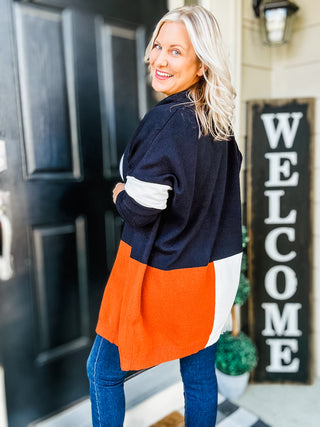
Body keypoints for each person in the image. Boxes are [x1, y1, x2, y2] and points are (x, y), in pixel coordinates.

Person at [87, 5, 243, 426]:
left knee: (101, 373)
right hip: (211, 275)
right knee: (197, 376)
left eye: (176, 51)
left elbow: (141, 209)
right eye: (158, 46)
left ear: (201, 63)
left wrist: (120, 191)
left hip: (164, 274)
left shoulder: (168, 121)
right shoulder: (218, 123)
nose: (158, 59)